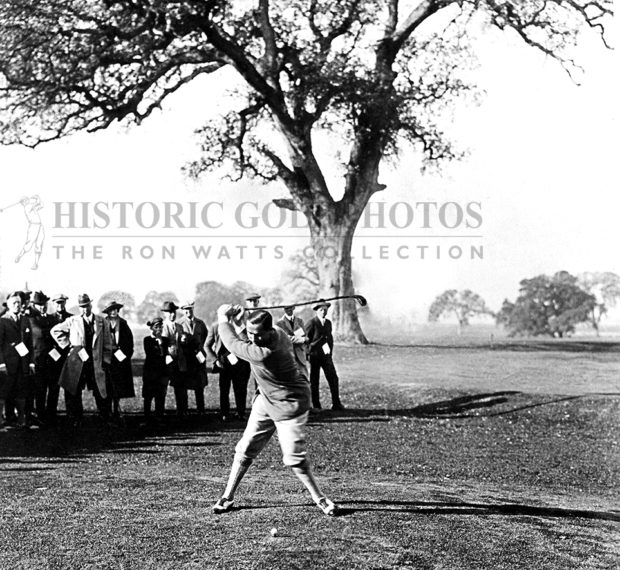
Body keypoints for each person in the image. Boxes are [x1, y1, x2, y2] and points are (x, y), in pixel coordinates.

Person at [212, 305, 338, 516]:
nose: (252, 338)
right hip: (266, 398)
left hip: (290, 403)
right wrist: (240, 323)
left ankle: (320, 498)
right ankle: (227, 496)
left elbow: (233, 344)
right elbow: (244, 338)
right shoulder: (277, 332)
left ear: (269, 331)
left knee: (294, 458)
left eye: (257, 334)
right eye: (250, 333)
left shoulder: (266, 353)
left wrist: (223, 318)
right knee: (245, 448)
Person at [51, 294, 113, 426]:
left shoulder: (102, 321)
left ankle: (105, 417)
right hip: (77, 362)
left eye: (86, 306)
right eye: (81, 307)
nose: (84, 309)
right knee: (74, 390)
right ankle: (75, 418)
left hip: (95, 362)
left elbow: (108, 344)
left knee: (100, 389)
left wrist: (106, 360)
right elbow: (55, 331)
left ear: (91, 305)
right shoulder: (72, 321)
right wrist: (69, 345)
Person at [0, 292, 35, 429]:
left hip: (23, 363)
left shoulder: (25, 320)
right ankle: (2, 420)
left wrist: (31, 362)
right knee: (4, 392)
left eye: (19, 303)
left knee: (21, 392)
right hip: (8, 364)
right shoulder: (3, 321)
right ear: (8, 305)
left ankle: (21, 420)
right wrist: (1, 364)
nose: (17, 305)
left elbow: (29, 344)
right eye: (14, 303)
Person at [206, 320, 250, 422]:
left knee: (240, 389)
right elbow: (207, 345)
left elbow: (247, 341)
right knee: (224, 389)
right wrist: (215, 360)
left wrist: (239, 328)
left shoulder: (240, 326)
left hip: (240, 362)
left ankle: (241, 413)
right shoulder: (216, 326)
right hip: (224, 363)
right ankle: (224, 413)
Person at [304, 301, 344, 411]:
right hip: (314, 356)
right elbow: (305, 340)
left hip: (326, 356)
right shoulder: (312, 323)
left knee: (333, 378)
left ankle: (336, 403)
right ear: (317, 311)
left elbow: (329, 339)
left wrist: (330, 352)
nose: (323, 312)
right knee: (314, 381)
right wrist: (308, 354)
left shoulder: (328, 323)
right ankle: (316, 405)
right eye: (321, 310)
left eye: (325, 310)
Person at [27, 291, 56, 426]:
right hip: (38, 360)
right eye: (39, 305)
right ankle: (40, 416)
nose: (43, 307)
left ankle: (51, 415)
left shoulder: (51, 318)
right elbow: (40, 333)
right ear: (34, 305)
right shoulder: (31, 319)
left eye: (44, 304)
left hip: (51, 360)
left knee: (53, 389)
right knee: (40, 390)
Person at [102, 301, 135, 420]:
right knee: (107, 386)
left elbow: (129, 341)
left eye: (115, 309)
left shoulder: (123, 323)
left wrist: (125, 355)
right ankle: (107, 411)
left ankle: (116, 409)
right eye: (111, 310)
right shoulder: (102, 323)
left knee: (118, 385)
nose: (113, 312)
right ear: (108, 312)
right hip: (106, 359)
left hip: (120, 359)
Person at [177, 301, 209, 415]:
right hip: (186, 358)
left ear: (193, 309)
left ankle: (201, 410)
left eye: (190, 309)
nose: (188, 311)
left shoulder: (200, 323)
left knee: (199, 385)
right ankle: (184, 410)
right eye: (186, 309)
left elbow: (205, 337)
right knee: (184, 384)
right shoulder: (179, 324)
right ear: (182, 310)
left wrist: (200, 349)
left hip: (198, 357)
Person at [47, 293, 73, 423]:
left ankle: (71, 415)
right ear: (53, 303)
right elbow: (46, 338)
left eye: (62, 302)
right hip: (54, 358)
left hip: (68, 357)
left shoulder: (72, 318)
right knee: (53, 388)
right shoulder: (49, 319)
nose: (60, 305)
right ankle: (51, 415)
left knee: (69, 387)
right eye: (57, 302)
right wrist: (53, 352)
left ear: (65, 303)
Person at [142, 318, 170, 423]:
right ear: (151, 328)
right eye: (156, 327)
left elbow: (165, 354)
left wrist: (161, 343)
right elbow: (150, 353)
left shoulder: (165, 340)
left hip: (162, 373)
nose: (159, 329)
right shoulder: (147, 340)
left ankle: (159, 417)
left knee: (160, 396)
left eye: (160, 327)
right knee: (148, 397)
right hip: (150, 373)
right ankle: (147, 418)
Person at [160, 301, 186, 416]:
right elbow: (162, 345)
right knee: (163, 388)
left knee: (180, 387)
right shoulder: (162, 326)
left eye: (174, 312)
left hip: (178, 361)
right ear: (165, 314)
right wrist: (166, 356)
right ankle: (160, 412)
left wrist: (184, 340)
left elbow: (182, 343)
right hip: (167, 361)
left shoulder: (179, 327)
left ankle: (181, 411)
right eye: (169, 312)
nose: (172, 314)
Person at [276, 304, 309, 380]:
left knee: (304, 377)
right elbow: (282, 340)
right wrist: (299, 339)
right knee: (290, 378)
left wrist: (301, 339)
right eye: (286, 308)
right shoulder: (279, 323)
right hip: (288, 355)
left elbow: (306, 338)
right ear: (284, 309)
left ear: (293, 308)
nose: (289, 310)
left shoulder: (300, 321)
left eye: (290, 308)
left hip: (300, 355)